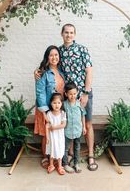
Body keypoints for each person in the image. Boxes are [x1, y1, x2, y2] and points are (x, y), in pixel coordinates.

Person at [35, 23, 98, 171]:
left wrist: (86, 93)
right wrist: (36, 72)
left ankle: (90, 155)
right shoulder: (59, 51)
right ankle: (69, 155)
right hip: (66, 97)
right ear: (61, 34)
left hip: (82, 94)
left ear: (74, 34)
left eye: (71, 32)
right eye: (66, 32)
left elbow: (89, 71)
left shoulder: (82, 49)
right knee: (69, 124)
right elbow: (51, 65)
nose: (69, 35)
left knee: (87, 123)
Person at [34, 45, 65, 168]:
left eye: (56, 55)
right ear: (47, 57)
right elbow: (40, 92)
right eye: (51, 55)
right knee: (46, 134)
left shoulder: (61, 71)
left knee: (56, 132)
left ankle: (56, 156)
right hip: (46, 108)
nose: (54, 57)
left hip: (58, 109)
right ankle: (45, 157)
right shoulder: (43, 73)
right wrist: (45, 112)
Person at [62, 82, 86, 173]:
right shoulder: (64, 104)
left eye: (74, 94)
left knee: (77, 147)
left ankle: (76, 163)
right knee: (65, 148)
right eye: (70, 94)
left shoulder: (79, 104)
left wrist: (84, 127)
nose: (73, 96)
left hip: (77, 129)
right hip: (67, 130)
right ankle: (65, 164)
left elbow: (83, 115)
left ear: (77, 93)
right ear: (66, 94)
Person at [45, 93, 66, 175]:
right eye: (54, 103)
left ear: (61, 103)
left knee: (59, 149)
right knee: (52, 149)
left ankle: (60, 166)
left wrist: (54, 127)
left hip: (59, 136)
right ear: (51, 103)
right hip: (52, 136)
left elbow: (63, 124)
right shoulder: (49, 114)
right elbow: (47, 126)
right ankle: (51, 165)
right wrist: (47, 137)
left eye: (58, 103)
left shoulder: (63, 113)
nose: (56, 105)